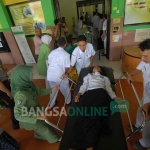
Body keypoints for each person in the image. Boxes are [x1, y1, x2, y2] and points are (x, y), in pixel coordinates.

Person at [69, 66, 120, 150]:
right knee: (82, 115)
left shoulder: (104, 77)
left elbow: (108, 88)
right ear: (92, 70)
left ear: (101, 70)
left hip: (101, 94)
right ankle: (75, 143)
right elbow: (84, 85)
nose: (96, 68)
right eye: (94, 68)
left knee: (95, 117)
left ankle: (90, 143)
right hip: (89, 94)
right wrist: (78, 94)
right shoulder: (88, 76)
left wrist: (114, 97)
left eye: (98, 67)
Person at [11, 65, 61, 143]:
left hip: (35, 109)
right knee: (44, 128)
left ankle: (38, 135)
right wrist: (38, 116)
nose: (32, 76)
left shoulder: (29, 84)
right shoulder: (20, 95)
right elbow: (18, 115)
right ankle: (55, 139)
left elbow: (39, 91)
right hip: (28, 117)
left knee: (43, 123)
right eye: (30, 74)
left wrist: (52, 89)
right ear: (23, 77)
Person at [127, 39, 150, 149]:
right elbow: (139, 68)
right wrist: (131, 74)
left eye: (145, 56)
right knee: (139, 110)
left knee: (148, 122)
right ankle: (137, 126)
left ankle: (145, 143)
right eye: (141, 55)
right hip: (147, 94)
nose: (142, 58)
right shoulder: (146, 61)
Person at [47, 37, 71, 109]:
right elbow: (67, 67)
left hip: (50, 75)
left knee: (53, 90)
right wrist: (65, 73)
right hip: (60, 76)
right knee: (65, 88)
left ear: (57, 44)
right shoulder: (66, 54)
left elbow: (49, 64)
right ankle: (68, 101)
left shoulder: (52, 52)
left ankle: (51, 104)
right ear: (65, 44)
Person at [0, 59, 19, 129]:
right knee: (13, 104)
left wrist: (4, 74)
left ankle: (19, 119)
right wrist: (7, 91)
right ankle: (16, 124)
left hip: (4, 83)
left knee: (15, 102)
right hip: (2, 87)